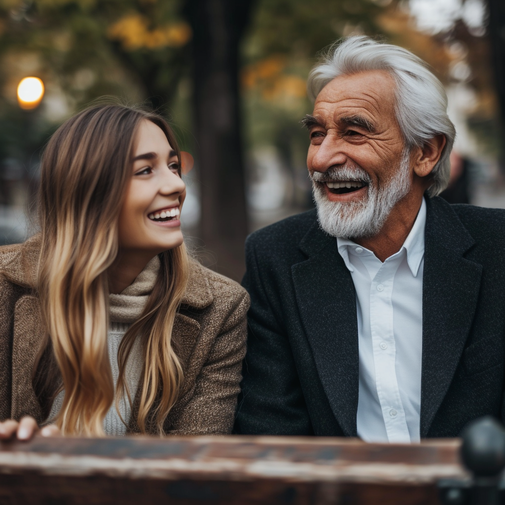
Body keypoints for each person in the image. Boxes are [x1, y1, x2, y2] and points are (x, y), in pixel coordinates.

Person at [234, 36, 505, 442]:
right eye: (316, 134)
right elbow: (271, 436)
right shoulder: (274, 257)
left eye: (354, 132)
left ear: (425, 153)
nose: (322, 159)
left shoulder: (497, 247)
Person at [0, 103, 249, 439]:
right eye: (145, 170)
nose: (176, 184)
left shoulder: (221, 309)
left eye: (173, 166)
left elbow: (194, 466)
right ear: (88, 193)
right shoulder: (5, 286)